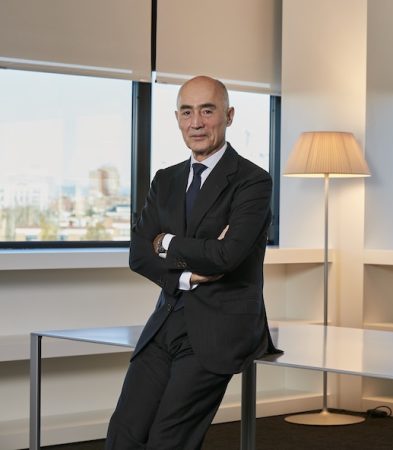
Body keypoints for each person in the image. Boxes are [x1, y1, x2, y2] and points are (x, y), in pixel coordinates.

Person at [106, 75, 279, 449]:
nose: (196, 123)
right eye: (187, 112)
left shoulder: (253, 181)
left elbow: (226, 256)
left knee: (168, 440)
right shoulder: (165, 180)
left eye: (207, 111)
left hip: (221, 326)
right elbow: (139, 254)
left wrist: (165, 242)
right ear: (177, 118)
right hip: (166, 319)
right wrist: (187, 275)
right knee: (123, 433)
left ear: (229, 116)